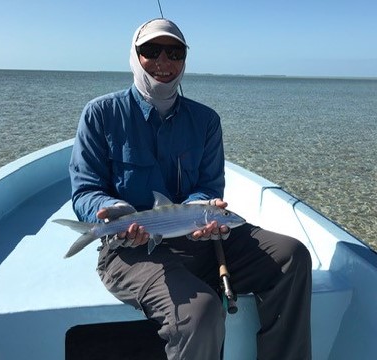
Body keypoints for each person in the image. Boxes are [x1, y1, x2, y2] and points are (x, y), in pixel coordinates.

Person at [69, 18, 312, 360]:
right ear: (133, 56)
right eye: (150, 51)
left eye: (175, 52)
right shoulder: (101, 114)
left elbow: (206, 186)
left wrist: (205, 209)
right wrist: (111, 210)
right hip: (128, 249)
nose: (163, 62)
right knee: (201, 312)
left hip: (197, 238)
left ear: (185, 59)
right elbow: (85, 191)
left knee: (292, 256)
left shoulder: (206, 120)